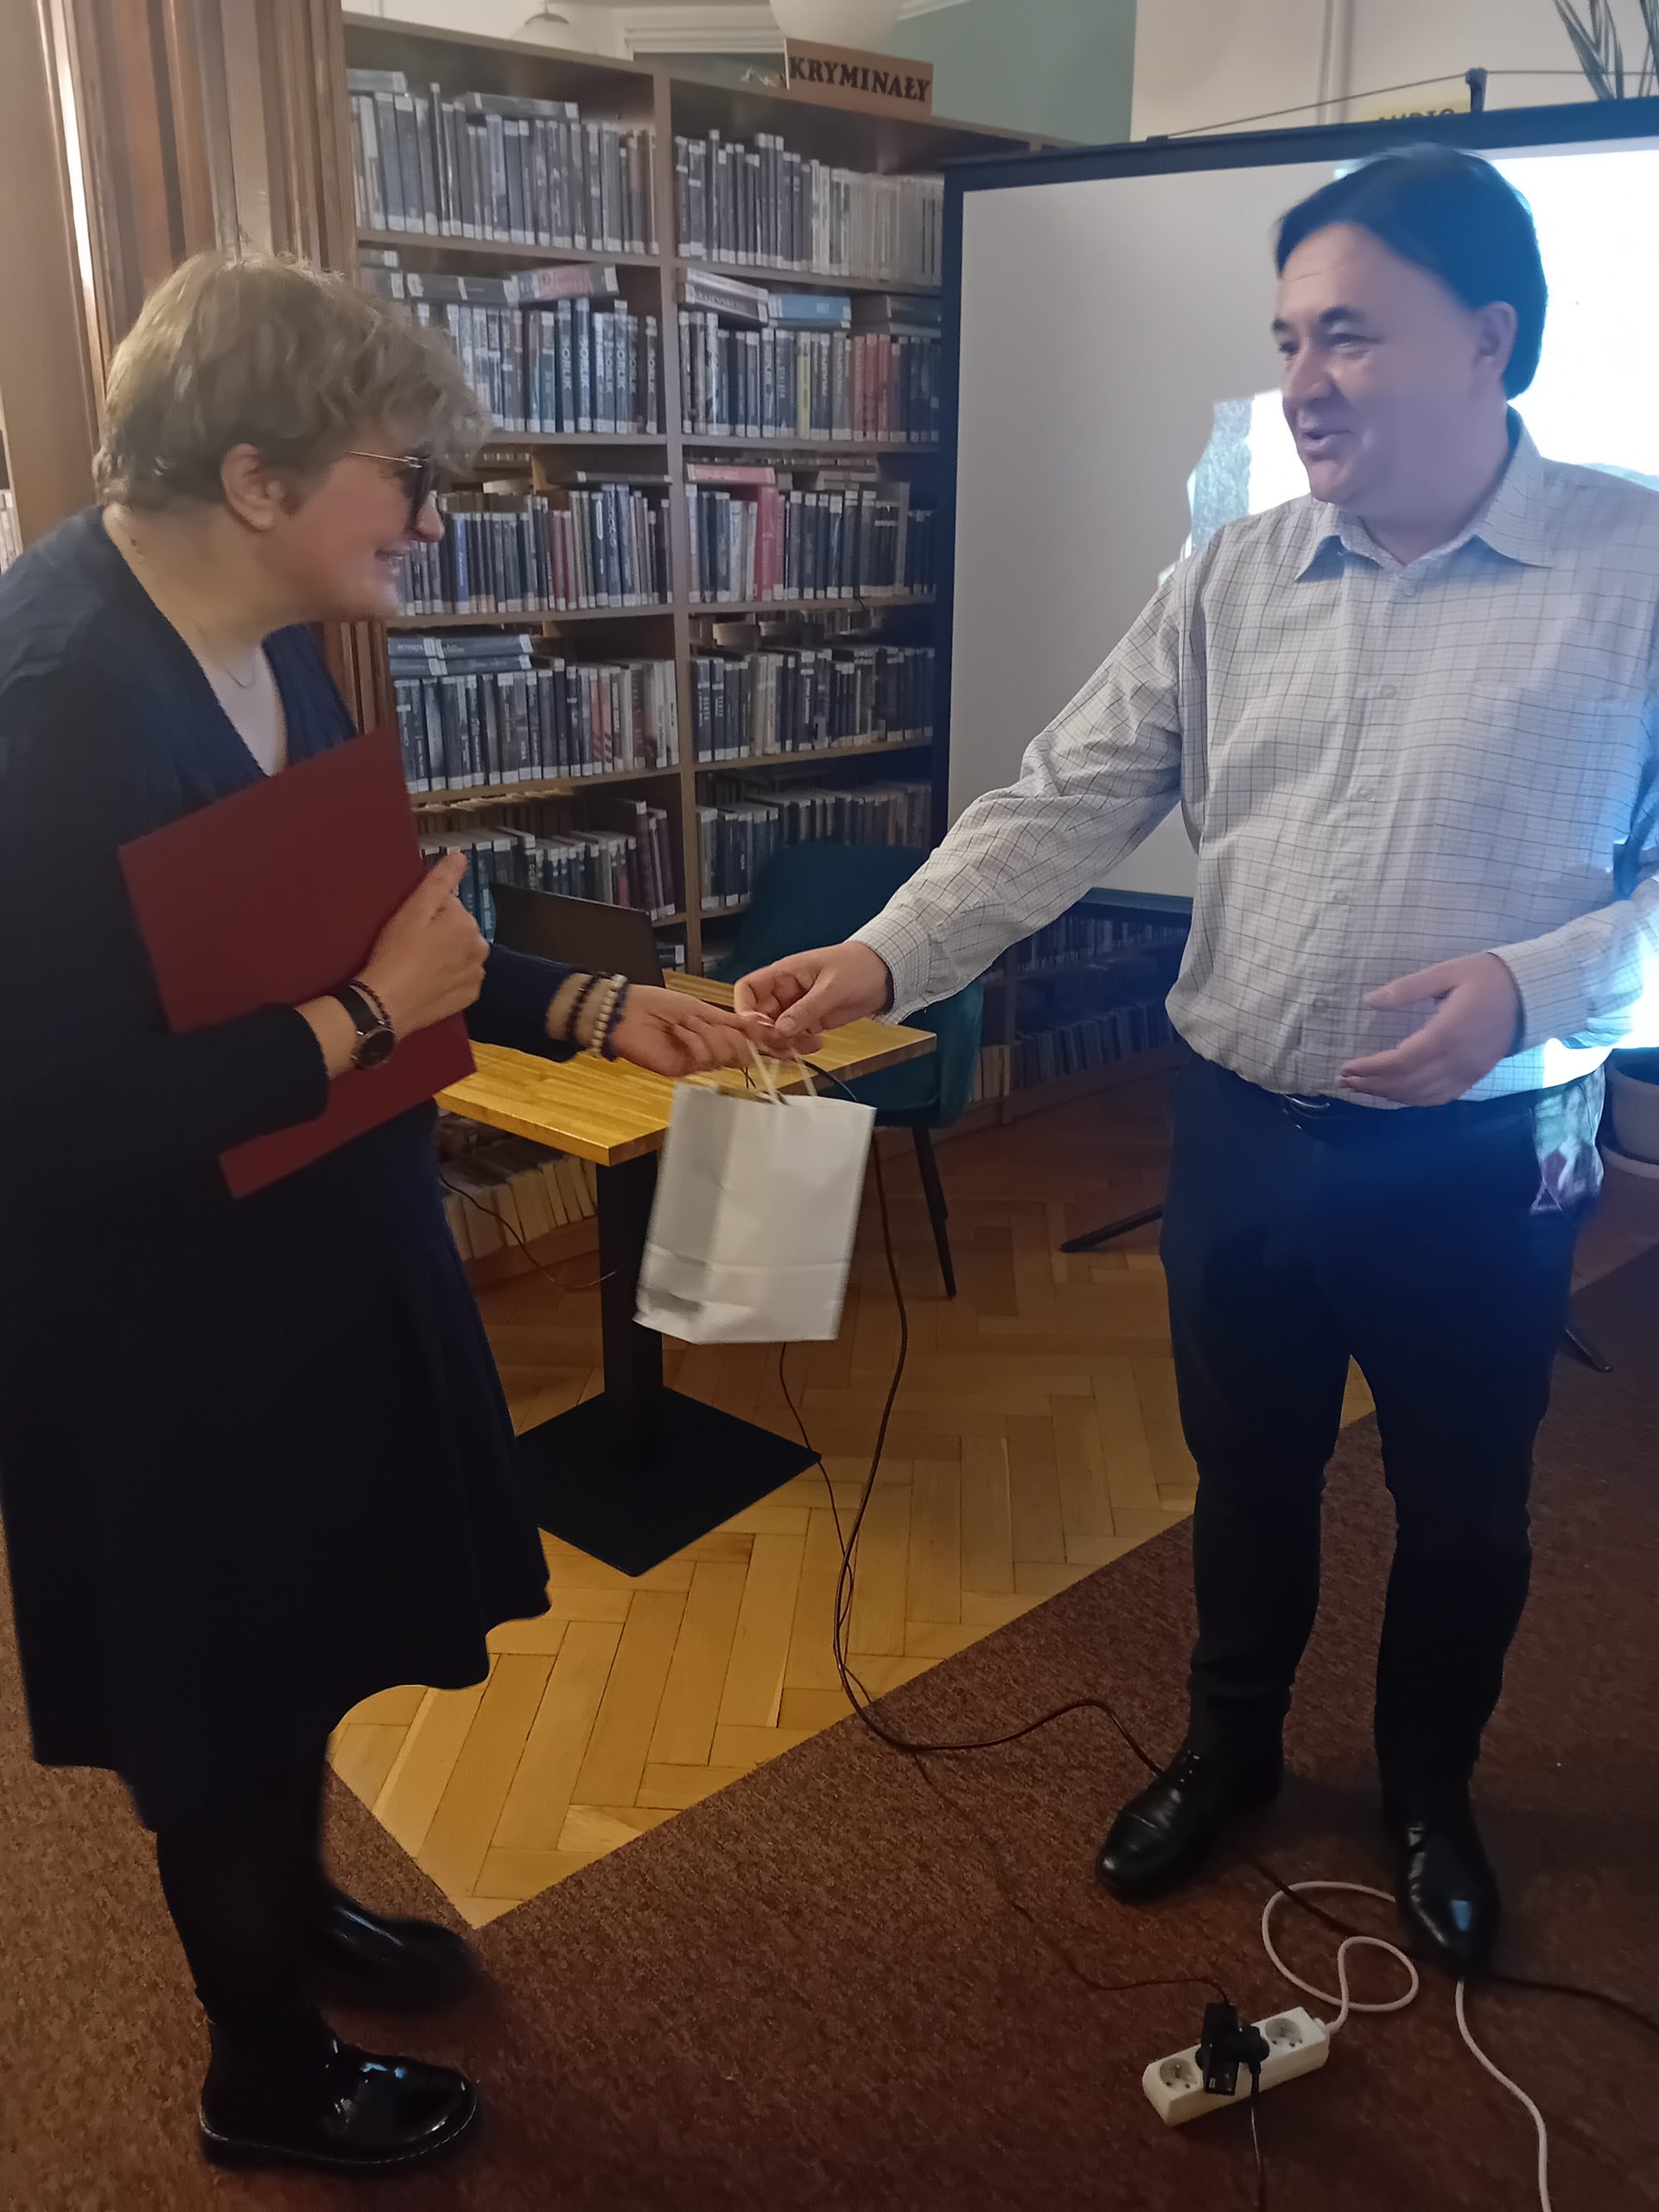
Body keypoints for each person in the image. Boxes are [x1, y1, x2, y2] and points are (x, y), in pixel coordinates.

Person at [736, 148, 1659, 1975]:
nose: (1304, 380)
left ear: (1491, 341)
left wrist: (1536, 985)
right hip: (1243, 1132)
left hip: (1488, 1157)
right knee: (1244, 1479)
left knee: (1463, 1508)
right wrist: (884, 954)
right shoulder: (1233, 571)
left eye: (1352, 336)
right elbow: (1065, 798)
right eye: (1289, 338)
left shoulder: (1635, 569)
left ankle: (1427, 1793)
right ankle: (1229, 1748)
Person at [0, 251, 775, 2177]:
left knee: (299, 1644)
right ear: (257, 477)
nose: (430, 516)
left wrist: (585, 1004)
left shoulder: (251, 631)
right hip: (160, 1331)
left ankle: (294, 1910)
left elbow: (352, 919)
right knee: (223, 1692)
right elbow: (48, 1118)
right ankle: (263, 2077)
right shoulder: (50, 702)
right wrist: (360, 1021)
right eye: (402, 471)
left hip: (300, 1265)